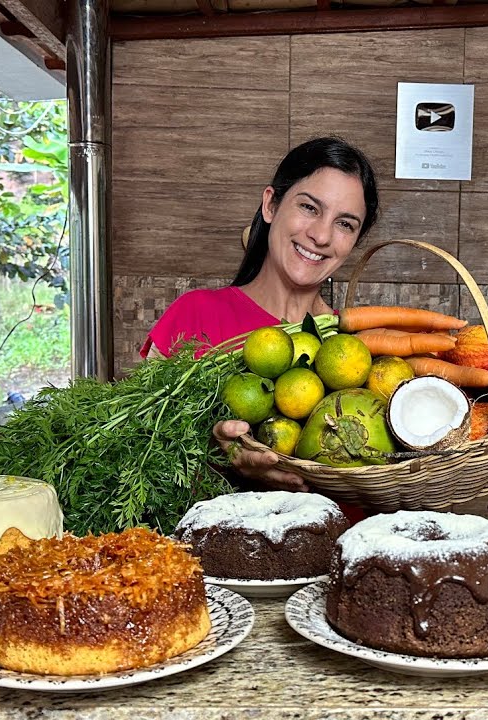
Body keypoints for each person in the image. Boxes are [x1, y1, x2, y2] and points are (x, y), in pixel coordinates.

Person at [140, 137, 380, 494]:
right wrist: (218, 458)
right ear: (271, 205)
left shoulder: (356, 349)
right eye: (309, 207)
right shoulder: (194, 315)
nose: (321, 235)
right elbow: (138, 456)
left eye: (345, 224)